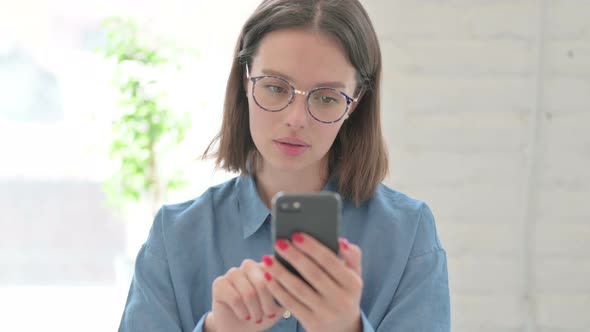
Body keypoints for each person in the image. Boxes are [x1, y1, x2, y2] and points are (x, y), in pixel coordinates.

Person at [118, 0, 450, 331]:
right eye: (275, 87)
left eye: (326, 97)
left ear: (356, 102)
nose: (296, 119)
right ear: (246, 81)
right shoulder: (174, 237)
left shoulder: (408, 235)